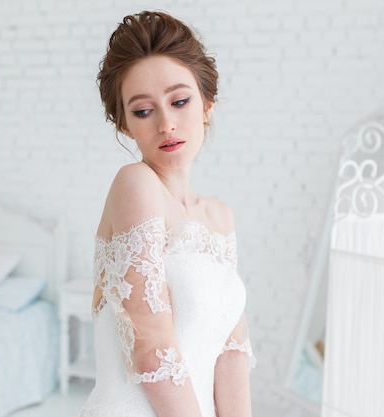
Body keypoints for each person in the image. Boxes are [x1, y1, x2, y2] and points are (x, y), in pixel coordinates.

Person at [78, 11, 256, 417]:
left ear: (207, 104)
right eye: (143, 111)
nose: (167, 124)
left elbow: (231, 354)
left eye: (179, 101)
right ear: (124, 125)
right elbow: (151, 346)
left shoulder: (220, 218)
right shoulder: (135, 184)